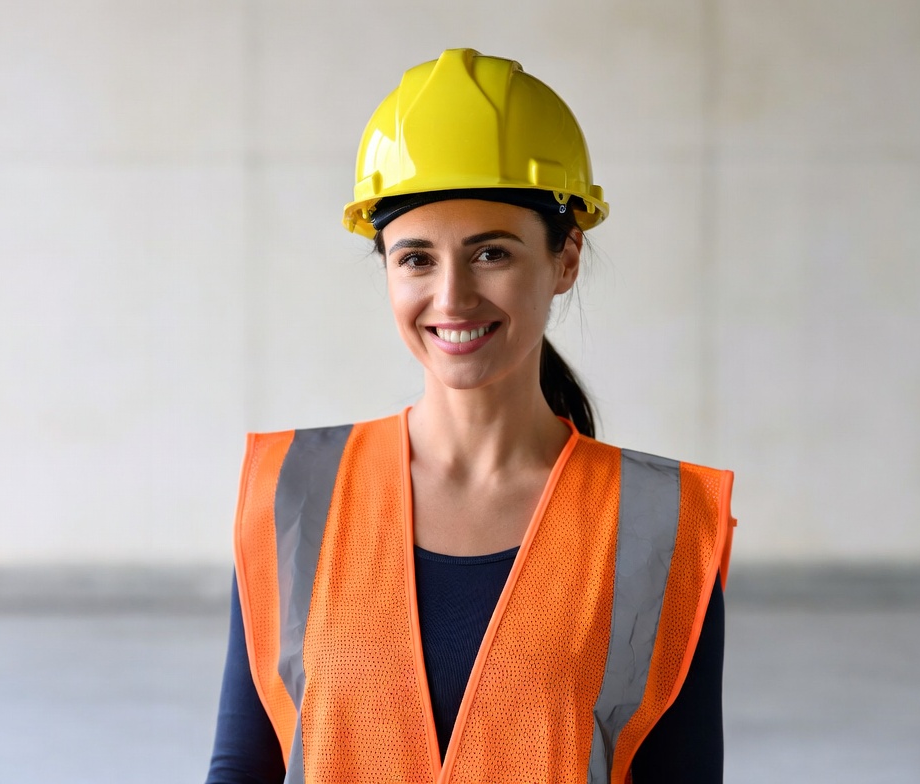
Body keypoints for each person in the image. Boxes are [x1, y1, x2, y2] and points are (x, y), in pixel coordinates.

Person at [206, 48, 736, 784]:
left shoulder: (661, 523)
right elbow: (244, 764)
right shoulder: (293, 492)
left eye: (491, 254)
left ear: (566, 258)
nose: (452, 297)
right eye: (416, 259)